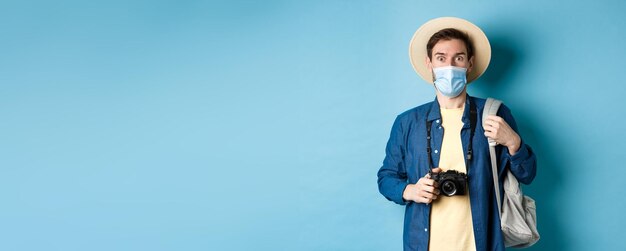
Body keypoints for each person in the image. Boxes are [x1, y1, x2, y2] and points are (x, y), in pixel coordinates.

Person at [377, 17, 537, 251]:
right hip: (424, 244)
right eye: (441, 58)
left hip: (481, 244)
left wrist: (514, 142)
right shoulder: (407, 122)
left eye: (458, 58)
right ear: (429, 63)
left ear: (469, 64)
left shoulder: (494, 113)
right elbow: (386, 178)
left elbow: (527, 175)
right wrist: (411, 190)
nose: (449, 66)